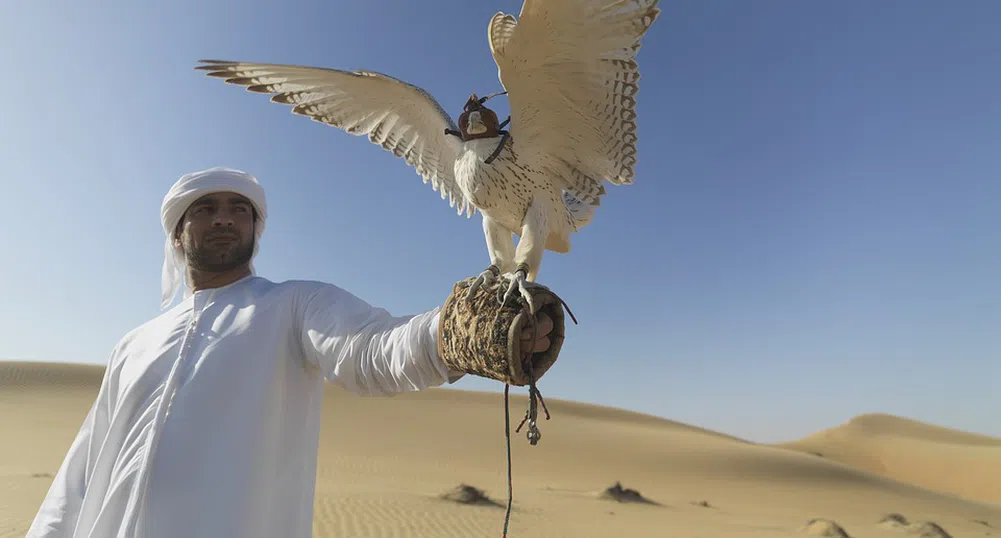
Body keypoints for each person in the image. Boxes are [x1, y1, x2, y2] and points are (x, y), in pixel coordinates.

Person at [26, 167, 557, 538]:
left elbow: (370, 350)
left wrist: (453, 336)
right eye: (205, 208)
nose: (224, 219)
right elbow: (80, 475)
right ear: (177, 233)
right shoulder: (132, 345)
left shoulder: (293, 306)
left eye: (240, 210)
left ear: (256, 230)